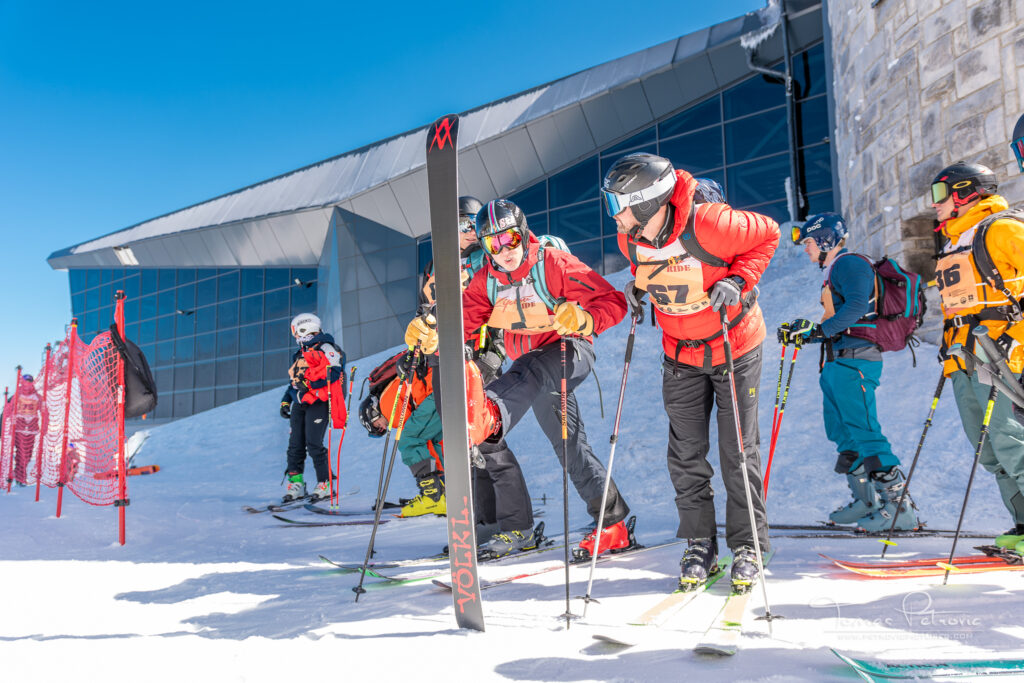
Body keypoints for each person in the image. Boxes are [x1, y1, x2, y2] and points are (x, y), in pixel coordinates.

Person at [405, 198, 632, 560]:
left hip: (569, 352)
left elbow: (613, 300)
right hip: (535, 374)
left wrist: (586, 318)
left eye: (509, 238)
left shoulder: (551, 263)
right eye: (493, 243)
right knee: (571, 448)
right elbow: (462, 321)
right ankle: (614, 523)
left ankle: (490, 414)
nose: (504, 250)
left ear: (523, 234)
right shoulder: (487, 281)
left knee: (528, 370)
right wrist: (433, 332)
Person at [602, 152, 777, 591]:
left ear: (646, 201)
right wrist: (639, 288)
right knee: (685, 455)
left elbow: (768, 235)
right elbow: (656, 268)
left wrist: (739, 280)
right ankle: (701, 542)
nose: (613, 215)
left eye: (617, 204)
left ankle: (749, 546)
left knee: (738, 452)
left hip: (734, 346)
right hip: (680, 354)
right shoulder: (630, 239)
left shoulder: (711, 223)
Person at [785, 213, 920, 531]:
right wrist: (807, 332)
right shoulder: (835, 269)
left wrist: (820, 331)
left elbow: (858, 306)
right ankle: (866, 501)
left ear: (825, 240)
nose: (805, 248)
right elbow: (842, 316)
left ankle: (899, 509)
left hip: (856, 361)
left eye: (808, 241)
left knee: (865, 432)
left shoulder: (849, 263)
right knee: (843, 434)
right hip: (838, 361)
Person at [929, 161, 1024, 553]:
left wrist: (1016, 342)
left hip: (1000, 356)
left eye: (939, 193)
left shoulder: (1001, 228)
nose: (934, 203)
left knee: (1012, 441)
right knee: (989, 451)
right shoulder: (954, 242)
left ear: (966, 191)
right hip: (963, 360)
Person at [358, 351, 446, 517]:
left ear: (373, 412)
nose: (383, 428)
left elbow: (415, 439)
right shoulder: (389, 395)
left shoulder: (386, 406)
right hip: (438, 384)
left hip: (435, 390)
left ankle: (433, 496)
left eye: (377, 425)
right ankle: (441, 492)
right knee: (433, 440)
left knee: (408, 440)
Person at [281, 313, 346, 502]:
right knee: (295, 446)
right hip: (300, 403)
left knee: (314, 443)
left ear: (305, 328)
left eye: (296, 332)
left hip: (319, 402)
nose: (295, 336)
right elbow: (294, 382)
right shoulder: (301, 352)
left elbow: (335, 373)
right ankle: (296, 485)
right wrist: (286, 401)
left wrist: (309, 385)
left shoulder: (326, 347)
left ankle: (325, 484)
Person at [11, 373, 40, 486]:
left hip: (31, 429)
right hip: (19, 428)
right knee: (21, 454)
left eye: (29, 381)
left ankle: (18, 474)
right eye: (25, 381)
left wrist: (45, 427)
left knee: (27, 455)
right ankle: (20, 477)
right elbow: (9, 409)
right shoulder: (17, 395)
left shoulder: (37, 396)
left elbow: (44, 410)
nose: (27, 384)